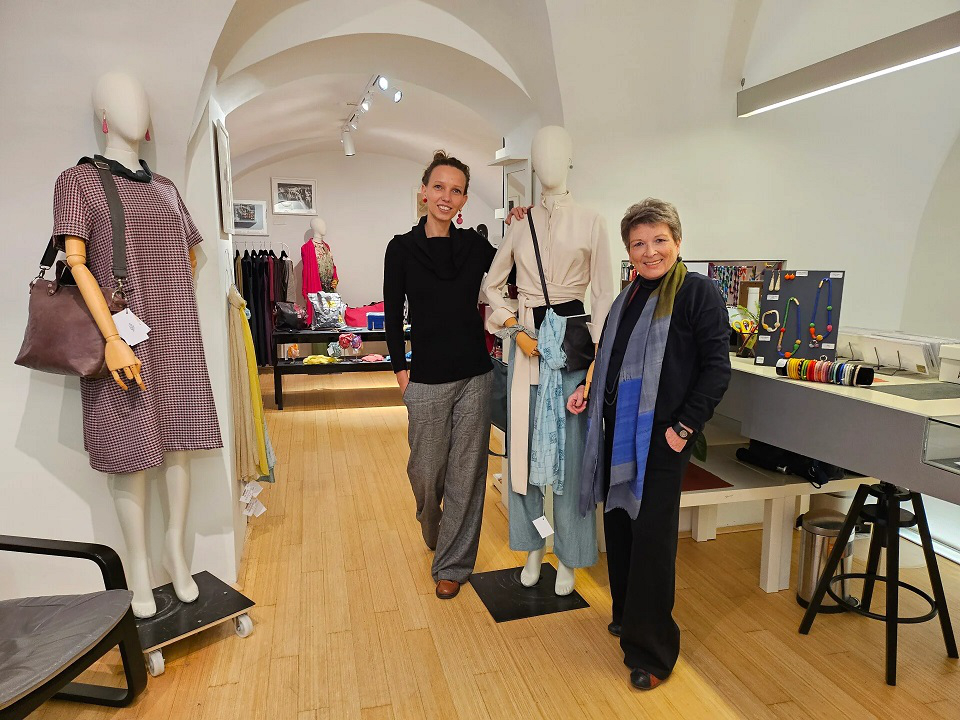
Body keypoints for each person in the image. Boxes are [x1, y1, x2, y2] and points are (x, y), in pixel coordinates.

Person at [572, 198, 731, 690]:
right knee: (621, 528)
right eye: (638, 243)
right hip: (619, 434)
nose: (650, 251)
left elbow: (716, 369)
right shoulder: (628, 296)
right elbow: (610, 356)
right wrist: (589, 389)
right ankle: (627, 616)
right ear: (628, 251)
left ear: (677, 242)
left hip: (663, 439)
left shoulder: (697, 293)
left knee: (653, 543)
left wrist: (684, 428)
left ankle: (653, 653)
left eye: (659, 240)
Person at [383, 150, 497, 599]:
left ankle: (452, 564)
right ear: (424, 192)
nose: (446, 196)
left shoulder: (475, 247)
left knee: (467, 472)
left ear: (464, 199)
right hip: (426, 378)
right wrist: (401, 372)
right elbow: (393, 316)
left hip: (475, 375)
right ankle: (432, 524)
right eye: (439, 187)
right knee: (426, 472)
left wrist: (522, 224)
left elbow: (513, 265)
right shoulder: (401, 248)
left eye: (456, 190)